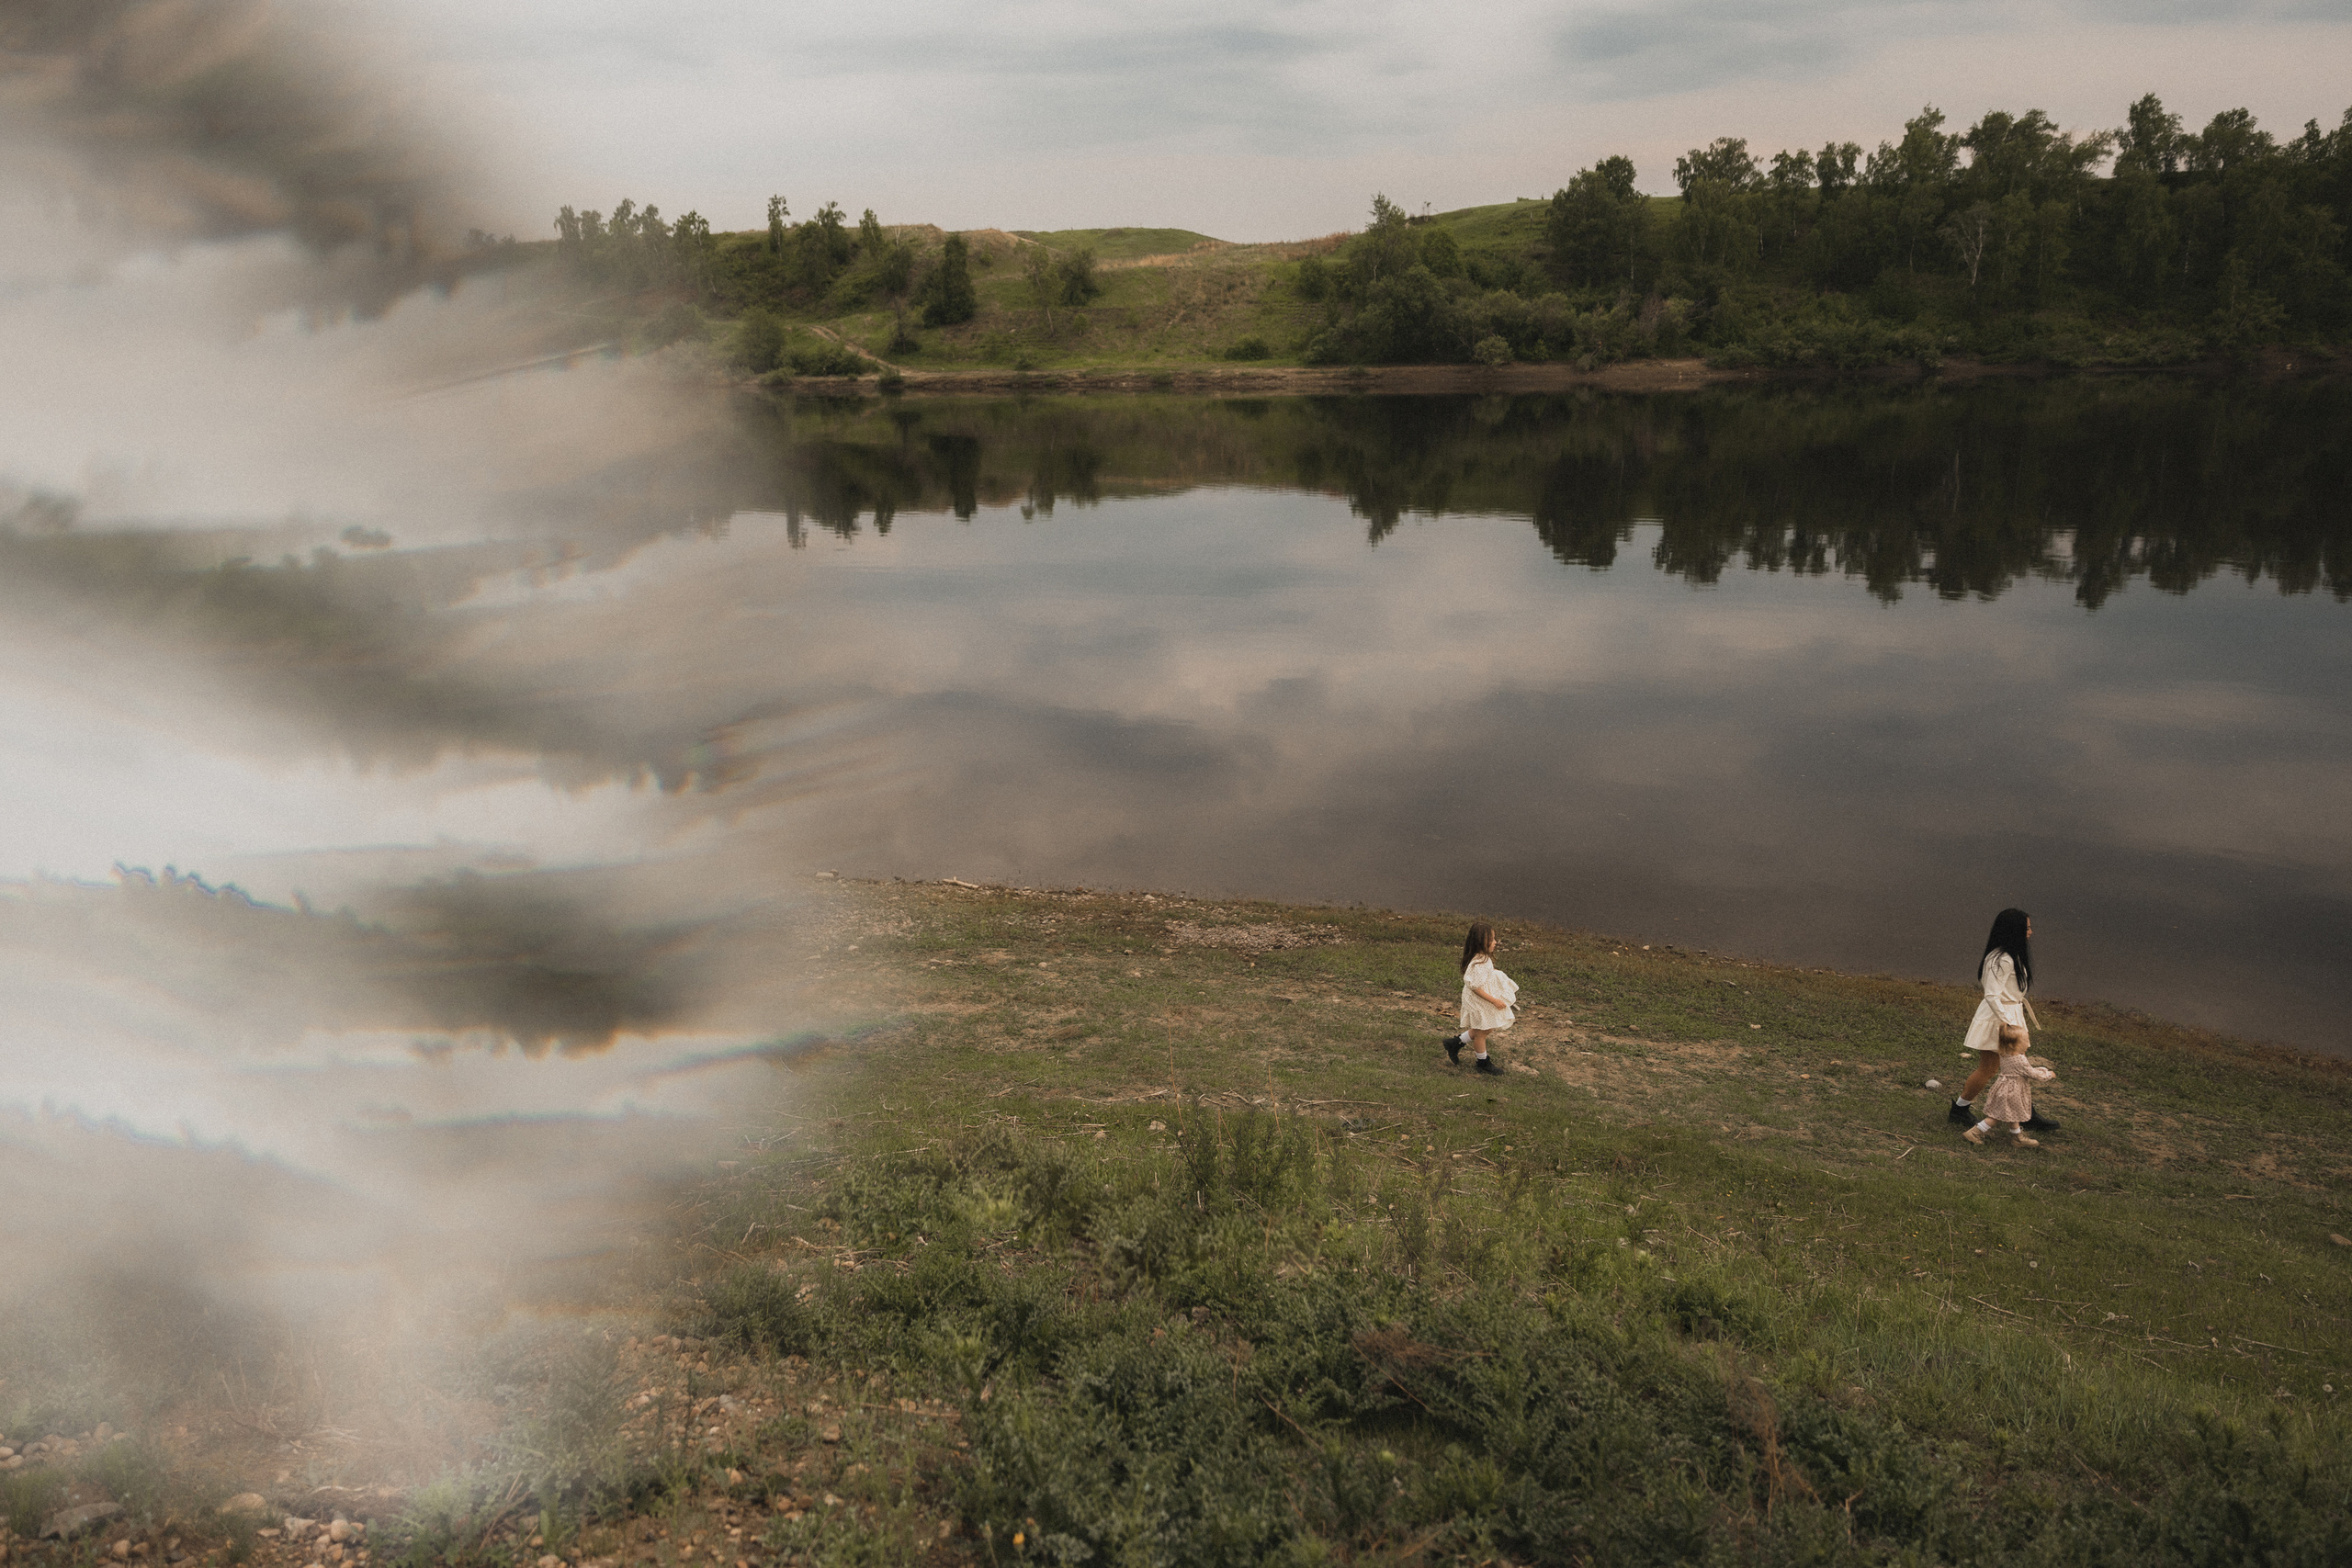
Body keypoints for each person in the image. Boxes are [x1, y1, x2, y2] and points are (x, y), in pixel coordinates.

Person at [1947, 908, 2060, 1133]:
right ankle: (1960, 1109)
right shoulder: (2000, 959)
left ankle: (2025, 1113)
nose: (2030, 932)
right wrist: (2008, 1025)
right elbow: (1991, 995)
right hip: (1999, 1019)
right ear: (2014, 930)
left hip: (2009, 1015)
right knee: (1989, 1068)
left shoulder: (2012, 956)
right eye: (2026, 928)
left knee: (2015, 1068)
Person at [1442, 921, 1516, 1077]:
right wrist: (1494, 1000)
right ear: (1481, 942)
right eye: (1492, 939)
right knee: (1482, 1032)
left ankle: (1455, 1043)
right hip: (1478, 999)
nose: (1496, 942)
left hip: (1480, 999)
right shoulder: (1479, 962)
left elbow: (1482, 976)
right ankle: (1482, 1062)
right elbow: (1475, 987)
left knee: (1486, 1027)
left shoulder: (1483, 959)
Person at [1965, 1031, 2056, 1147]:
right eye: (2025, 1041)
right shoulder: (2019, 1059)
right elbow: (2033, 1074)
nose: (2028, 1043)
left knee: (2013, 1114)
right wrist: (2048, 1074)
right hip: (2013, 1092)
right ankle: (1974, 1132)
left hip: (2005, 1088)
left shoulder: (2006, 1054)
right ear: (2013, 1045)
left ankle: (2017, 1137)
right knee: (1995, 1117)